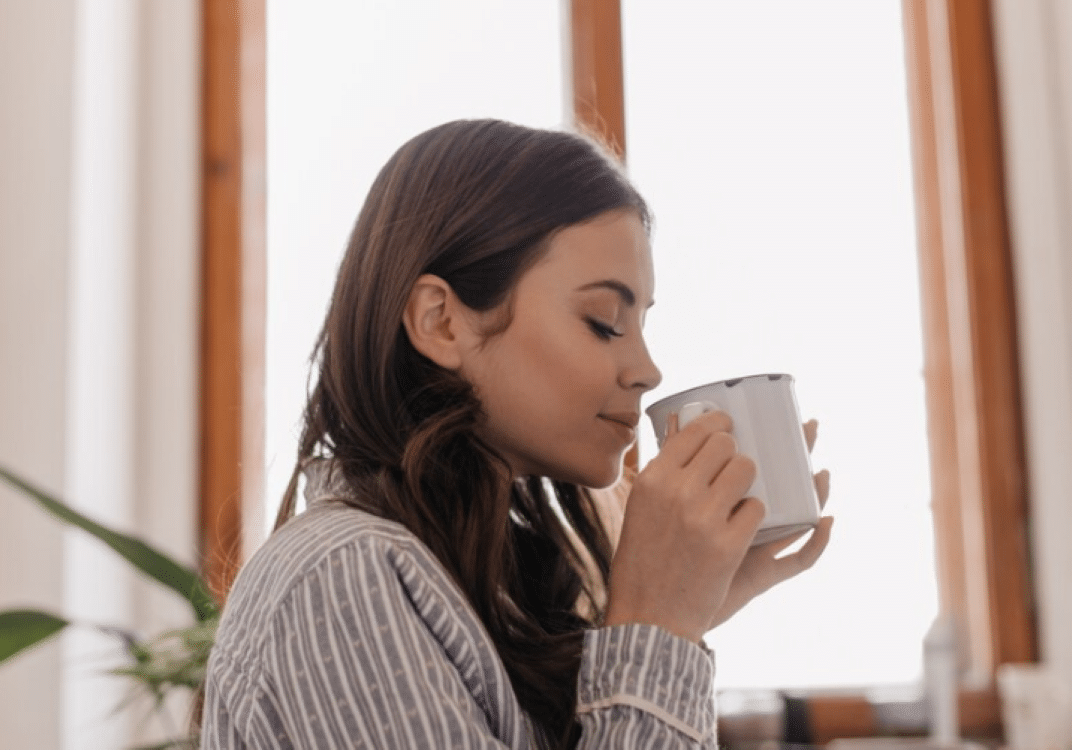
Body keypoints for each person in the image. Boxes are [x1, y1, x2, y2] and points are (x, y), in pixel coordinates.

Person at [201, 118, 834, 749]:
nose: (647, 371)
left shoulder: (489, 588)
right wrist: (655, 628)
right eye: (605, 322)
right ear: (442, 322)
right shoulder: (346, 576)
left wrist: (686, 614)